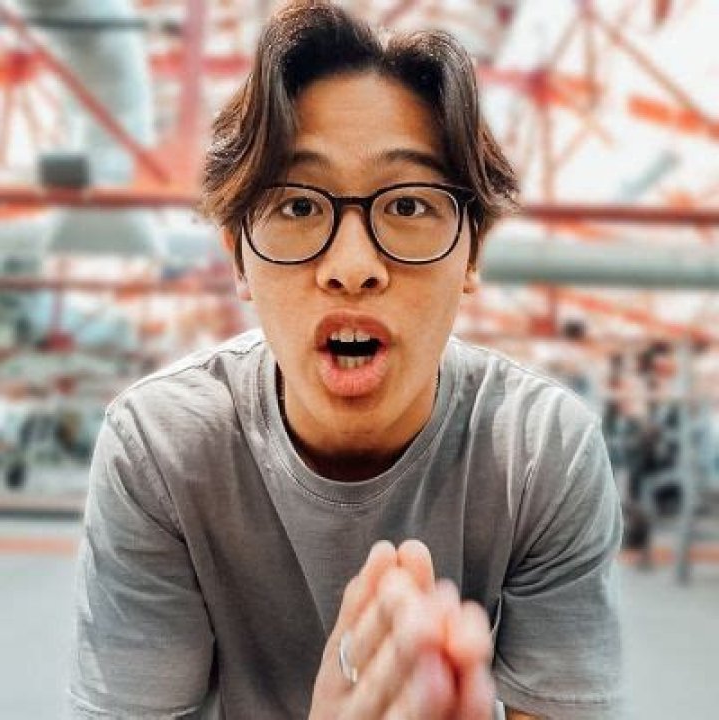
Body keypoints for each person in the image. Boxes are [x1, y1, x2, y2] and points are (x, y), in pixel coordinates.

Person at [68, 2, 623, 718]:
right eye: (298, 207)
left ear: (472, 253)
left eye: (409, 205)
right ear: (238, 259)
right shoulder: (160, 449)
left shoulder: (542, 452)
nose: (353, 266)